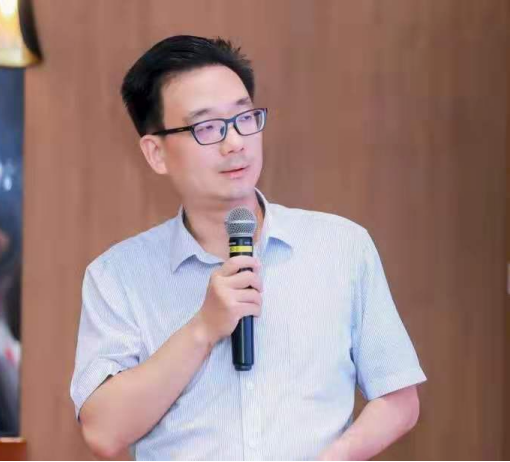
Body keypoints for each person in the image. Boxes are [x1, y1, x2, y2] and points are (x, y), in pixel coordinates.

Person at [70, 35, 427, 461]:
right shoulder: (118, 275)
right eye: (207, 128)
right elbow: (104, 433)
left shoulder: (341, 246)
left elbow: (399, 399)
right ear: (156, 153)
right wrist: (203, 329)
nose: (235, 142)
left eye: (244, 118)